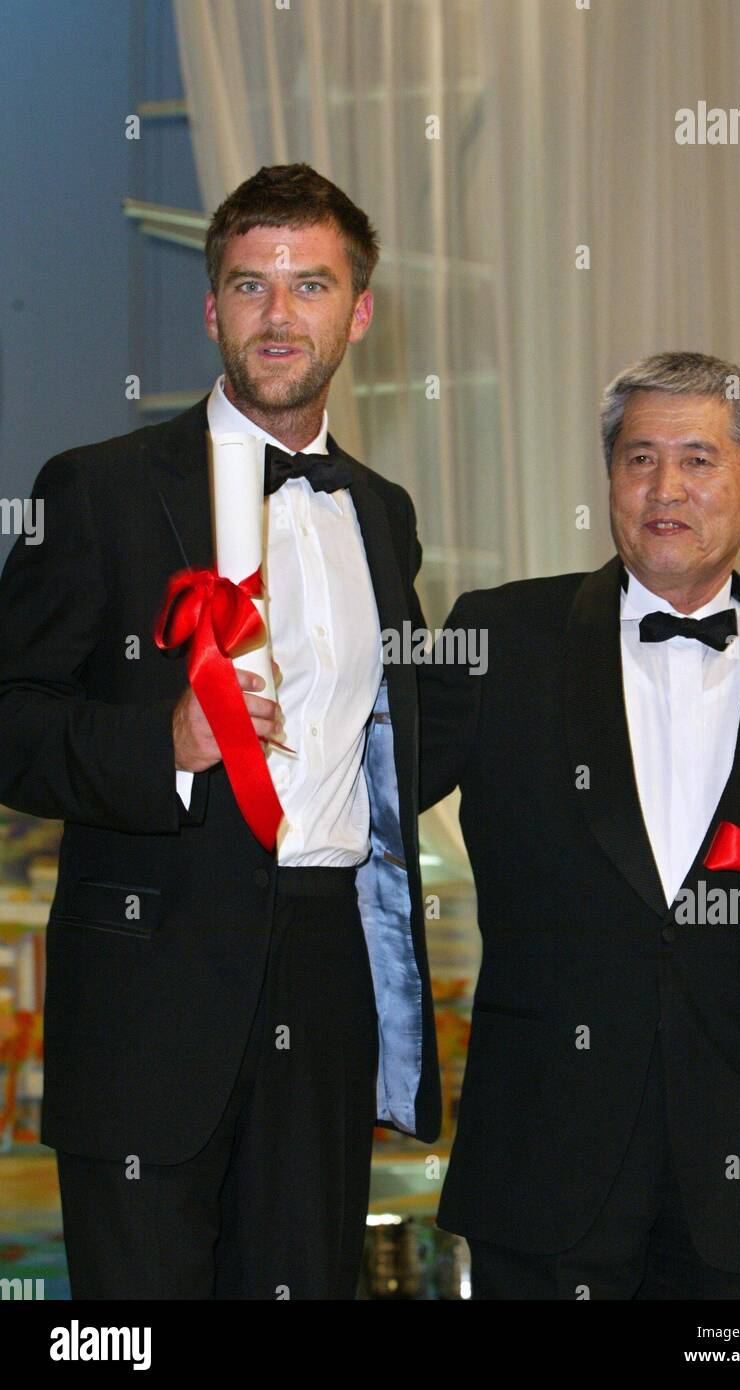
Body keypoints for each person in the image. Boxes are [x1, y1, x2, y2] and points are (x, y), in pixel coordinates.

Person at [0, 163, 440, 1299]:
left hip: (327, 972)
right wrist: (167, 743)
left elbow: (399, 744)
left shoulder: (382, 516)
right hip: (149, 986)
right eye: (250, 286)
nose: (278, 314)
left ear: (359, 311)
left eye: (309, 284)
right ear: (211, 311)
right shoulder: (95, 490)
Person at [420, 351, 740, 1299]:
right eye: (638, 458)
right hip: (539, 1176)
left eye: (699, 459)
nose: (665, 487)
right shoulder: (497, 640)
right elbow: (360, 794)